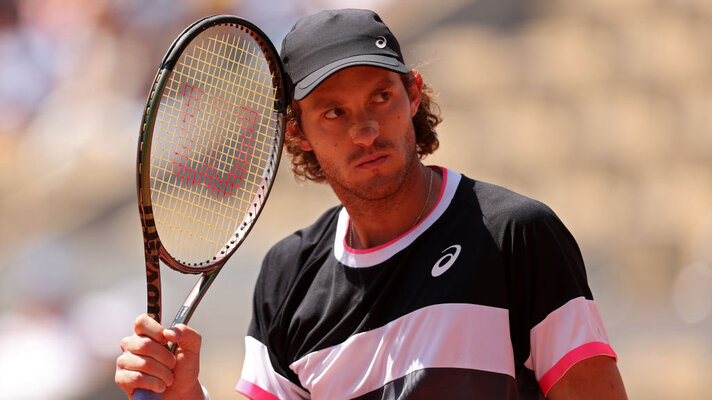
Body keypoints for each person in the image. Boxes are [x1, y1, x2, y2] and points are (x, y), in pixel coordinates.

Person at [116, 8, 628, 400]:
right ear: (297, 132)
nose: (364, 131)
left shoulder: (516, 233)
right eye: (333, 112)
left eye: (381, 98)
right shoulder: (285, 276)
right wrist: (185, 395)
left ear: (413, 94)